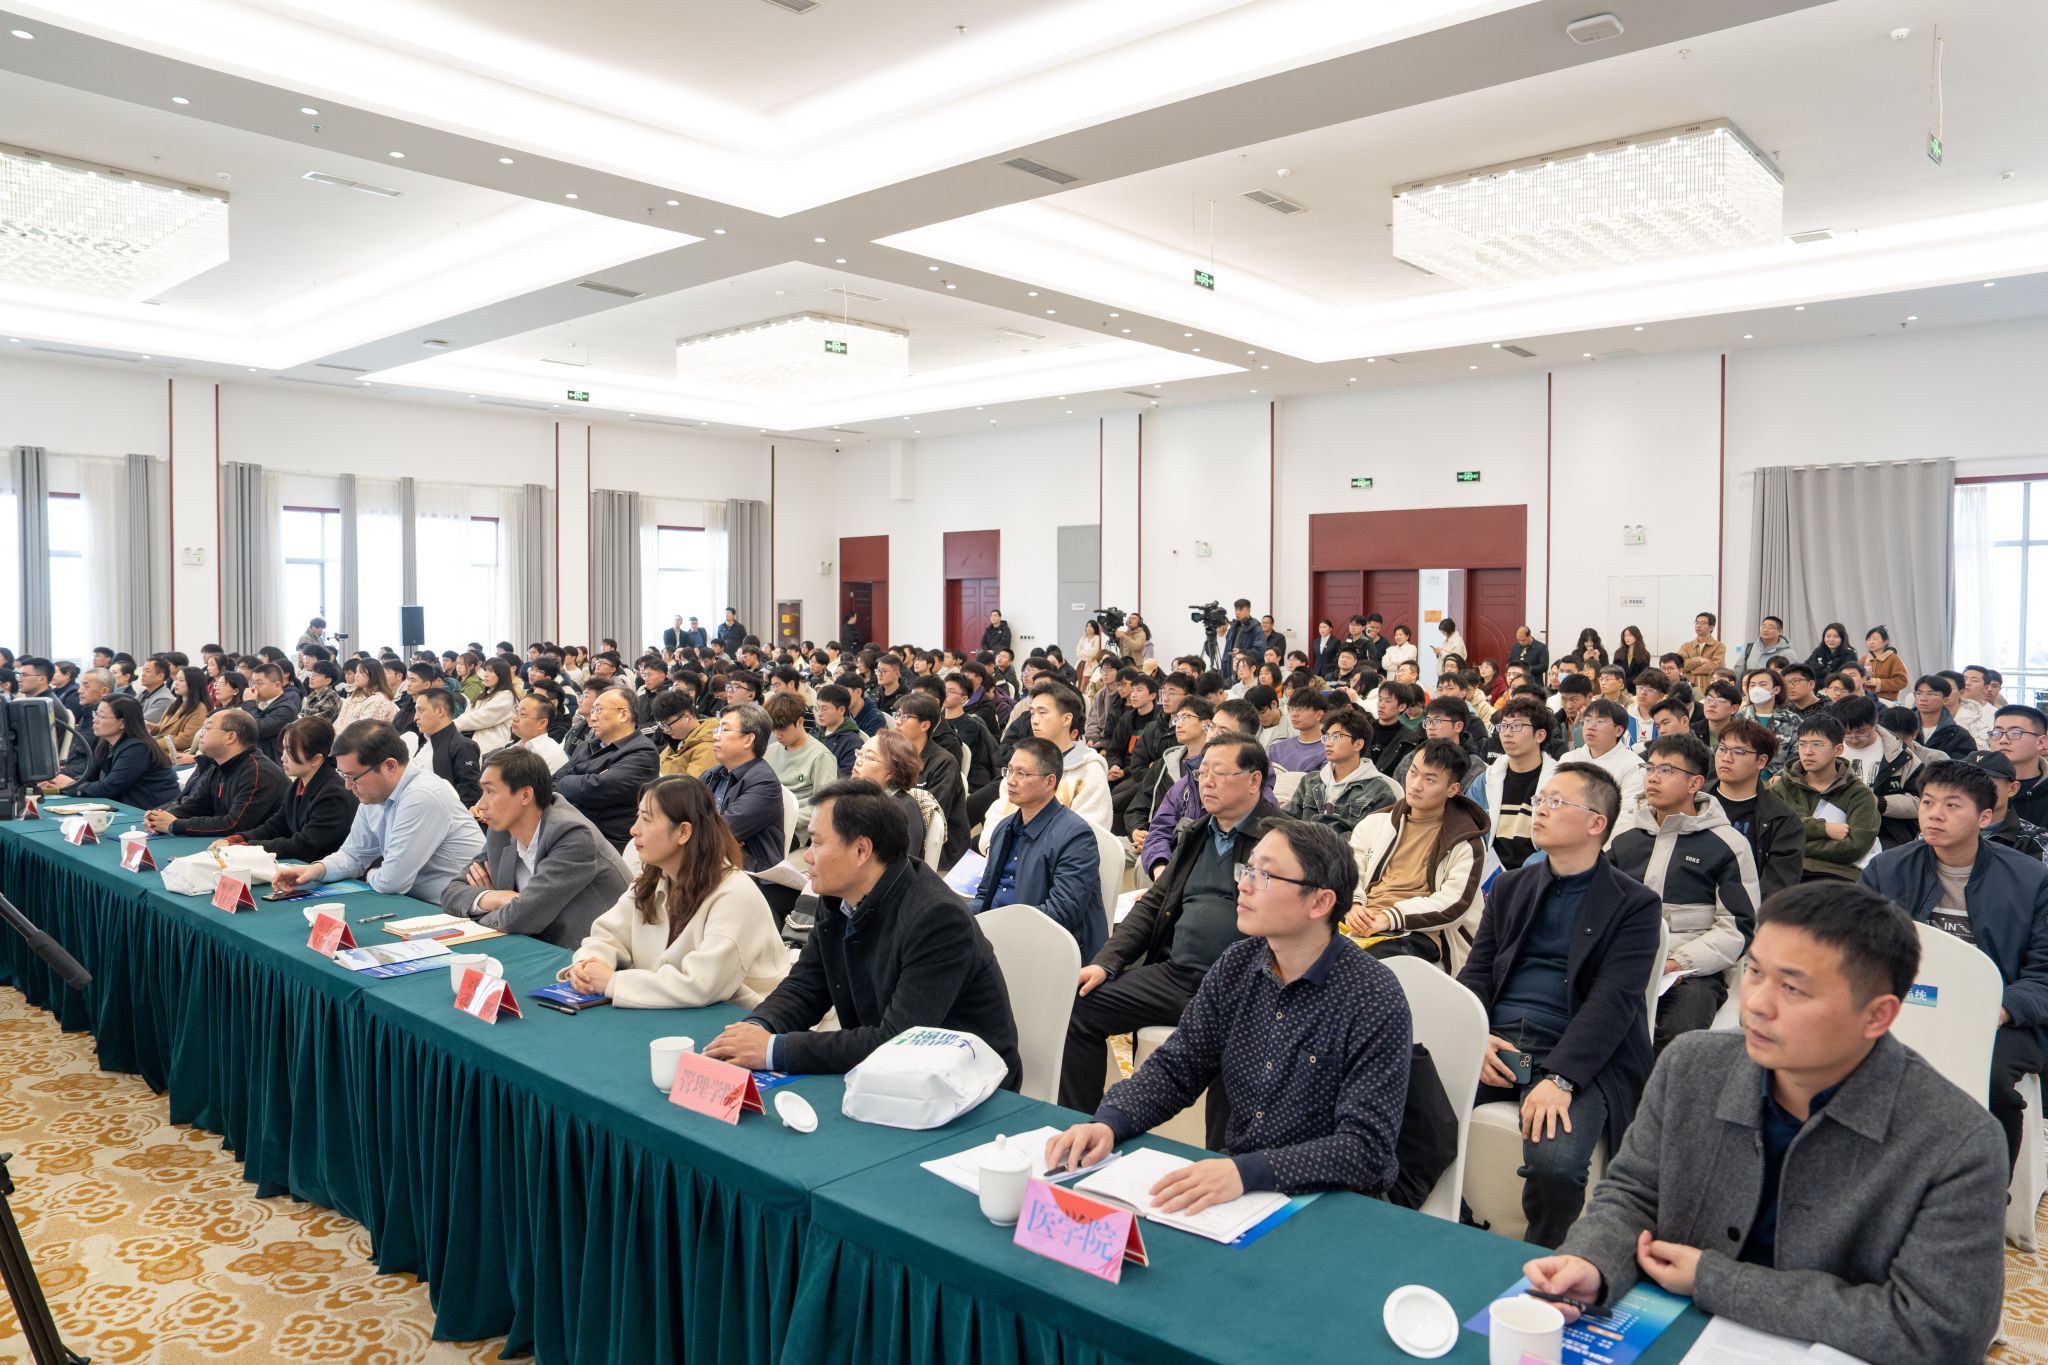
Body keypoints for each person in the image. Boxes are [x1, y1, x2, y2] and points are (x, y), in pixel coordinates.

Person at [1534, 885, 2008, 1359]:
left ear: (1877, 1015)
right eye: (1755, 972)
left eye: (1793, 988)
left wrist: (1713, 1279)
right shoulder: (1691, 1066)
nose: (1757, 1003)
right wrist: (1593, 1261)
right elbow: (1633, 1194)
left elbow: (1937, 1329)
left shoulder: (1958, 1141)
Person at [1045, 820, 1412, 1209]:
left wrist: (1247, 1172)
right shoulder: (1238, 965)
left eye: (1264, 875)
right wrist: (1109, 1121)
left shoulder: (1373, 996)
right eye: (1246, 869)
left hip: (1331, 1204)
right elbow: (1178, 1066)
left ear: (1320, 903)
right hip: (1241, 1191)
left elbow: (1366, 1149)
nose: (1244, 885)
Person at [1457, 761, 1663, 1247]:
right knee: (1407, 1117)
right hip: (1497, 1041)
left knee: (1556, 1164)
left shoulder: (1635, 904)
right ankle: (1459, 1233)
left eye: (1555, 802)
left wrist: (1562, 1078)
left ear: (1596, 823)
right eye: (1540, 800)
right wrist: (1475, 1037)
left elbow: (1613, 1003)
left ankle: (1542, 1257)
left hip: (1573, 1050)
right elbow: (1477, 972)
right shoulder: (1510, 886)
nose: (1539, 810)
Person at [705, 779, 1022, 1084]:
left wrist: (774, 1050)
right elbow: (806, 986)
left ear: (861, 850)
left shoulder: (937, 919)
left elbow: (898, 1041)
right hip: (887, 1075)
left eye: (817, 843)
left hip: (965, 1083)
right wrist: (759, 1028)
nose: (808, 856)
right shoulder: (839, 897)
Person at [1058, 733, 1280, 1140]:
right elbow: (1153, 904)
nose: (1206, 782)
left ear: (1254, 780)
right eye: (1202, 773)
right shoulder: (1196, 832)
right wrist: (1106, 962)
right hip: (1176, 975)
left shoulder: (1280, 840)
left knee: (1238, 1043)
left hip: (1242, 986)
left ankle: (1222, 1158)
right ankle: (1080, 1130)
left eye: (1220, 773)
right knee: (1082, 1003)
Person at [1861, 760, 2048, 1172]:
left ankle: (1986, 1187)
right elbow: (1858, 948)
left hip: (2001, 1016)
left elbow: (2043, 973)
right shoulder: (1887, 869)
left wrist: (2000, 1009)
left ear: (1985, 817)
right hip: (1906, 1002)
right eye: (1928, 802)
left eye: (1952, 805)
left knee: (1990, 1079)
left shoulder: (2030, 879)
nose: (1935, 814)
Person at [561, 774, 787, 1006]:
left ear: (683, 832)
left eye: (646, 819)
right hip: (675, 1010)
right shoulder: (653, 880)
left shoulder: (735, 895)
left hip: (744, 1016)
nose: (634, 830)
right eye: (637, 817)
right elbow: (608, 936)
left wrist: (613, 982)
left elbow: (702, 985)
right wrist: (587, 965)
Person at [1610, 734, 1760, 1048]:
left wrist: (1679, 963)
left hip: (1694, 970)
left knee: (1679, 1032)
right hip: (1624, 959)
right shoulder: (1624, 837)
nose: (1653, 777)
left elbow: (1738, 928)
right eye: (1650, 768)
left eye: (1666, 770)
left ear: (1695, 783)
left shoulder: (1728, 844)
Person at [270, 720, 487, 903]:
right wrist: (316, 870)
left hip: (455, 908)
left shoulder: (421, 796)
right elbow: (353, 855)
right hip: (416, 902)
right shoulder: (373, 795)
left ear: (390, 766)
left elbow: (392, 882)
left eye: (352, 777)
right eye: (344, 776)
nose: (348, 786)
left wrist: (370, 873)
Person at [443, 747, 630, 948]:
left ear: (525, 795)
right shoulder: (501, 830)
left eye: (490, 792)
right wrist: (496, 897)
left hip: (594, 953)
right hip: (539, 945)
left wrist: (482, 914)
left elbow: (521, 918)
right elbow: (451, 893)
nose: (480, 804)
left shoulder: (572, 835)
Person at [1344, 736, 1490, 971]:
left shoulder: (1465, 841)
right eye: (1413, 772)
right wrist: (1354, 903)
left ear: (1452, 789)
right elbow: (1350, 867)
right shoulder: (1377, 822)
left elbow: (1453, 902)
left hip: (1417, 931)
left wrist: (1389, 918)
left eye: (1429, 779)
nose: (1415, 785)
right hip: (1361, 918)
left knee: (1356, 965)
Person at [967, 736, 1106, 960]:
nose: (1011, 781)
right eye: (1009, 771)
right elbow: (985, 894)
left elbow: (1062, 913)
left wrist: (999, 926)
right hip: (997, 936)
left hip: (1043, 948)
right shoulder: (1004, 827)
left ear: (1050, 782)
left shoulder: (1076, 836)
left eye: (1022, 774)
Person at [981, 681, 1113, 835]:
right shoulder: (1023, 759)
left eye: (1042, 713)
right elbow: (999, 812)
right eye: (1032, 713)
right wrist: (992, 843)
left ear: (1066, 719)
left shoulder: (1088, 770)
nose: (1034, 720)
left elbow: (1091, 831)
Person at [219, 716, 358, 863]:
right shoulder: (298, 784)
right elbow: (275, 826)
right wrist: (239, 838)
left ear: (316, 759)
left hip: (324, 870)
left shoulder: (334, 795)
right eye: (284, 749)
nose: (283, 757)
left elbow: (304, 845)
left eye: (290, 751)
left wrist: (247, 847)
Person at [1705, 716, 1806, 901]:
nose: (1726, 758)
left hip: (1745, 909)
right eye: (1722, 748)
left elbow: (1776, 887)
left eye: (1739, 752)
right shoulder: (1693, 801)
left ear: (1761, 761)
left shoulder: (1782, 821)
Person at [143, 709, 287, 838]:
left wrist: (175, 825)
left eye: (207, 728)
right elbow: (196, 805)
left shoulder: (259, 772)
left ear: (230, 737)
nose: (201, 733)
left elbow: (235, 825)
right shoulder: (218, 765)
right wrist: (160, 817)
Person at [1768, 713, 1879, 881]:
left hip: (1837, 875)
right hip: (1784, 872)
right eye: (1802, 744)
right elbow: (1770, 834)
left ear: (1838, 750)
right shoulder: (1782, 787)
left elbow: (1856, 846)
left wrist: (1792, 844)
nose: (1807, 752)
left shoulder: (1858, 793)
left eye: (1817, 744)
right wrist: (1824, 829)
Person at [554, 686, 660, 850]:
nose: (592, 717)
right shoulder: (589, 745)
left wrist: (569, 779)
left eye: (598, 710)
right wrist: (579, 780)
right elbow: (552, 781)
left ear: (623, 715)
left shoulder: (642, 752)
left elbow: (591, 789)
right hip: (572, 830)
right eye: (592, 710)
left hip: (607, 843)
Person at [1282, 703, 1399, 839]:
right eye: (1326, 737)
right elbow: (1288, 819)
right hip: (1301, 847)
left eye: (1336, 737)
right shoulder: (1310, 781)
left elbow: (1368, 839)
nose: (1328, 743)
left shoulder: (1380, 791)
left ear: (1358, 744)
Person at [50, 692, 181, 807]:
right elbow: (89, 776)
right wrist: (57, 782)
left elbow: (109, 788)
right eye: (96, 714)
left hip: (149, 812)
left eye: (102, 716)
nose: (95, 721)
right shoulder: (106, 743)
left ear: (122, 723)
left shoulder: (137, 748)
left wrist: (71, 786)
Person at [700, 701, 786, 872]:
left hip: (751, 873)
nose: (715, 736)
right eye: (717, 729)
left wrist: (712, 831)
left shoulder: (764, 783)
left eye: (724, 730)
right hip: (713, 863)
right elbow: (688, 816)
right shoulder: (710, 775)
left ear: (748, 740)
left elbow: (720, 833)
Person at [1480, 696, 1557, 874]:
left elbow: (1562, 840)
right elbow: (1469, 831)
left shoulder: (1558, 783)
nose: (1507, 733)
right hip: (1489, 874)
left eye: (1516, 726)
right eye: (1503, 726)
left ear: (1540, 735)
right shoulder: (1486, 780)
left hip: (1538, 874)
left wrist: (1523, 876)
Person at [892, 693, 969, 867]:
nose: (897, 721)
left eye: (904, 717)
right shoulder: (896, 756)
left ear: (925, 725)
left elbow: (931, 814)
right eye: (897, 715)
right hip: (902, 833)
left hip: (938, 848)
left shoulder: (944, 762)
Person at [1558, 698, 1644, 831]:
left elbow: (1628, 815)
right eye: (1587, 720)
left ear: (1618, 731)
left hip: (1604, 837)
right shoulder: (1568, 759)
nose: (1591, 727)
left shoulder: (1634, 765)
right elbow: (1550, 799)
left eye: (1600, 722)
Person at [763, 691, 836, 825]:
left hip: (796, 826)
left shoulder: (820, 757)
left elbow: (825, 805)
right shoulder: (770, 751)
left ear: (800, 722)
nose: (777, 735)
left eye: (782, 729)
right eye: (774, 729)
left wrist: (782, 819)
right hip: (770, 818)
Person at [408, 686, 482, 807]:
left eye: (421, 710)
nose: (415, 717)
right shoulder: (425, 741)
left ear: (440, 711)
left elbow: (469, 795)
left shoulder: (462, 746)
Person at [455, 657, 517, 752]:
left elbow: (481, 718)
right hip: (475, 743)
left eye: (491, 671)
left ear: (501, 675)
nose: (486, 675)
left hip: (493, 748)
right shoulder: (484, 694)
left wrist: (453, 724)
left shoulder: (506, 696)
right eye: (485, 670)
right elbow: (468, 713)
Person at [149, 665, 211, 762]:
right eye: (176, 679)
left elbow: (186, 739)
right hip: (161, 751)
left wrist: (154, 742)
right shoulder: (176, 704)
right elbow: (162, 727)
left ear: (193, 684)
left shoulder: (200, 708)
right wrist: (150, 727)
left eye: (181, 680)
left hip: (176, 756)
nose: (176, 683)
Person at [1908, 674, 1974, 759]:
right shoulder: (1902, 727)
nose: (1923, 698)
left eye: (1931, 694)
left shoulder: (1959, 736)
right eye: (1919, 693)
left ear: (1945, 700)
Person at [508, 691, 570, 774]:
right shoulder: (514, 747)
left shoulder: (553, 756)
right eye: (516, 712)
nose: (515, 718)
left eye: (522, 714)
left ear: (542, 723)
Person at [1676, 612, 1724, 688]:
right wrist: (1701, 660)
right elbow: (1681, 666)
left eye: (1703, 623)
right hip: (1689, 688)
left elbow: (1715, 667)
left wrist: (1692, 670)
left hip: (1710, 688)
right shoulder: (1686, 646)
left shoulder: (1719, 646)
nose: (1698, 625)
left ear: (1711, 627)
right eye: (1697, 623)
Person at [1860, 626, 1907, 702]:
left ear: (1885, 642)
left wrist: (1877, 682)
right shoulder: (1863, 659)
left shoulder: (1893, 658)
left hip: (1888, 701)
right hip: (1866, 700)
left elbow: (1902, 681)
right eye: (1868, 639)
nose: (1871, 642)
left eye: (1875, 639)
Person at [1222, 599, 1266, 667]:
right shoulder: (1233, 627)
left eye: (1241, 610)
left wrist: (1242, 652)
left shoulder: (1256, 628)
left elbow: (1260, 651)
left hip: (1247, 668)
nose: (1237, 613)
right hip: (1231, 669)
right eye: (1236, 610)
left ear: (1249, 610)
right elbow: (1226, 651)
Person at [135, 655, 175, 725]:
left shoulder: (165, 699)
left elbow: (142, 722)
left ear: (160, 676)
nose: (143, 674)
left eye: (147, 671)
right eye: (143, 671)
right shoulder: (142, 692)